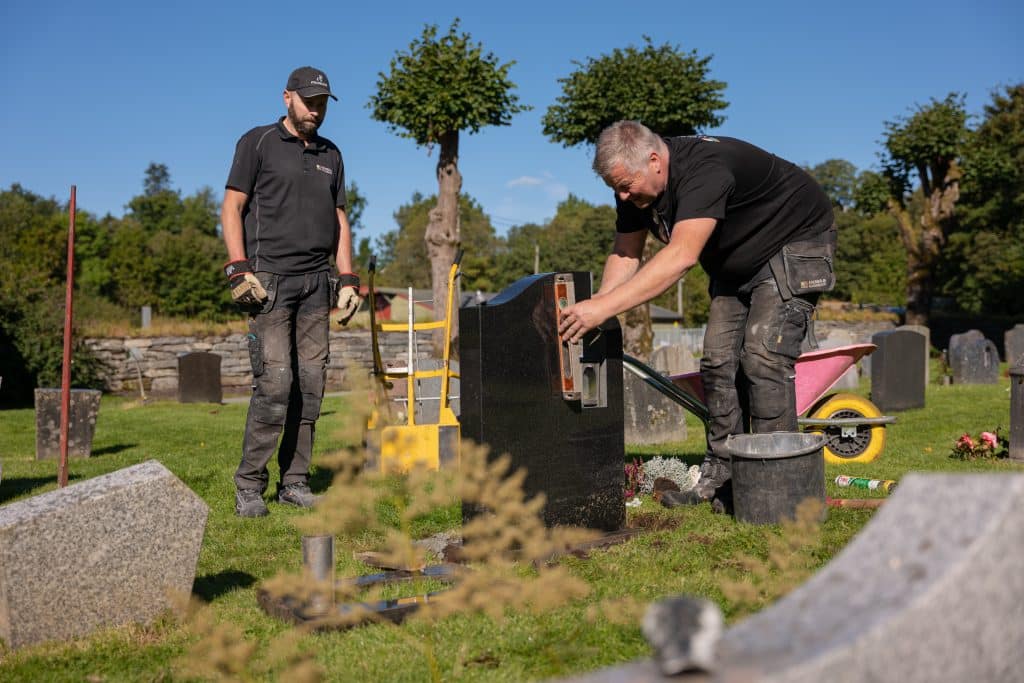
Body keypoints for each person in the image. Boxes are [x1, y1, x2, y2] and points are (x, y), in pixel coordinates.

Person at [558, 120, 836, 506]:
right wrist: (602, 307)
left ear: (655, 161)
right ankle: (721, 485)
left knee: (762, 356)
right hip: (735, 263)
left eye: (625, 185)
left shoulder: (706, 170)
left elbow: (682, 256)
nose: (621, 197)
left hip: (793, 241)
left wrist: (602, 307)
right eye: (614, 188)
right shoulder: (635, 191)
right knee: (718, 363)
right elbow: (625, 253)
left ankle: (778, 489)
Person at [221, 66, 361, 517]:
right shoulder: (257, 142)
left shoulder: (331, 154)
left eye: (322, 103)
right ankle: (249, 486)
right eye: (308, 101)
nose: (316, 110)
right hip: (270, 284)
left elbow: (340, 220)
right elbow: (232, 206)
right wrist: (238, 269)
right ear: (287, 98)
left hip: (318, 284)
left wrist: (348, 279)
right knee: (275, 383)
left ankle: (294, 482)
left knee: (312, 385)